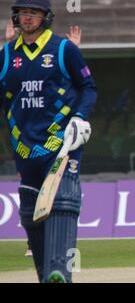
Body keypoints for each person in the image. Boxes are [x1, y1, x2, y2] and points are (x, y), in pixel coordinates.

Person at [0, 0, 97, 281]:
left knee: (63, 203)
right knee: (31, 215)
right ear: (16, 17)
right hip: (25, 148)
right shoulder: (6, 55)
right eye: (23, 12)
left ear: (45, 17)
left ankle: (60, 273)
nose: (27, 17)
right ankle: (47, 275)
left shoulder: (63, 49)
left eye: (34, 12)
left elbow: (88, 87)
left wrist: (79, 117)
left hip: (63, 142)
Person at [5, 19, 83, 259]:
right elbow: (11, 77)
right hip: (26, 140)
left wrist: (76, 49)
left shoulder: (57, 51)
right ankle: (33, 244)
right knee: (33, 195)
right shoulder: (12, 54)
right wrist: (7, 43)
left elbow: (75, 81)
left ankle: (62, 245)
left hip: (53, 140)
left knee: (59, 197)